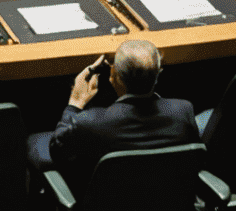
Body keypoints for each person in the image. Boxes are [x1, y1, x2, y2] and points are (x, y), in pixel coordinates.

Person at [25, 39, 198, 192]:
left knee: (35, 141)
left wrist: (75, 103)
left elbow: (57, 151)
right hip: (163, 200)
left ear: (113, 77)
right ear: (158, 74)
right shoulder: (183, 111)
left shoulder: (89, 122)